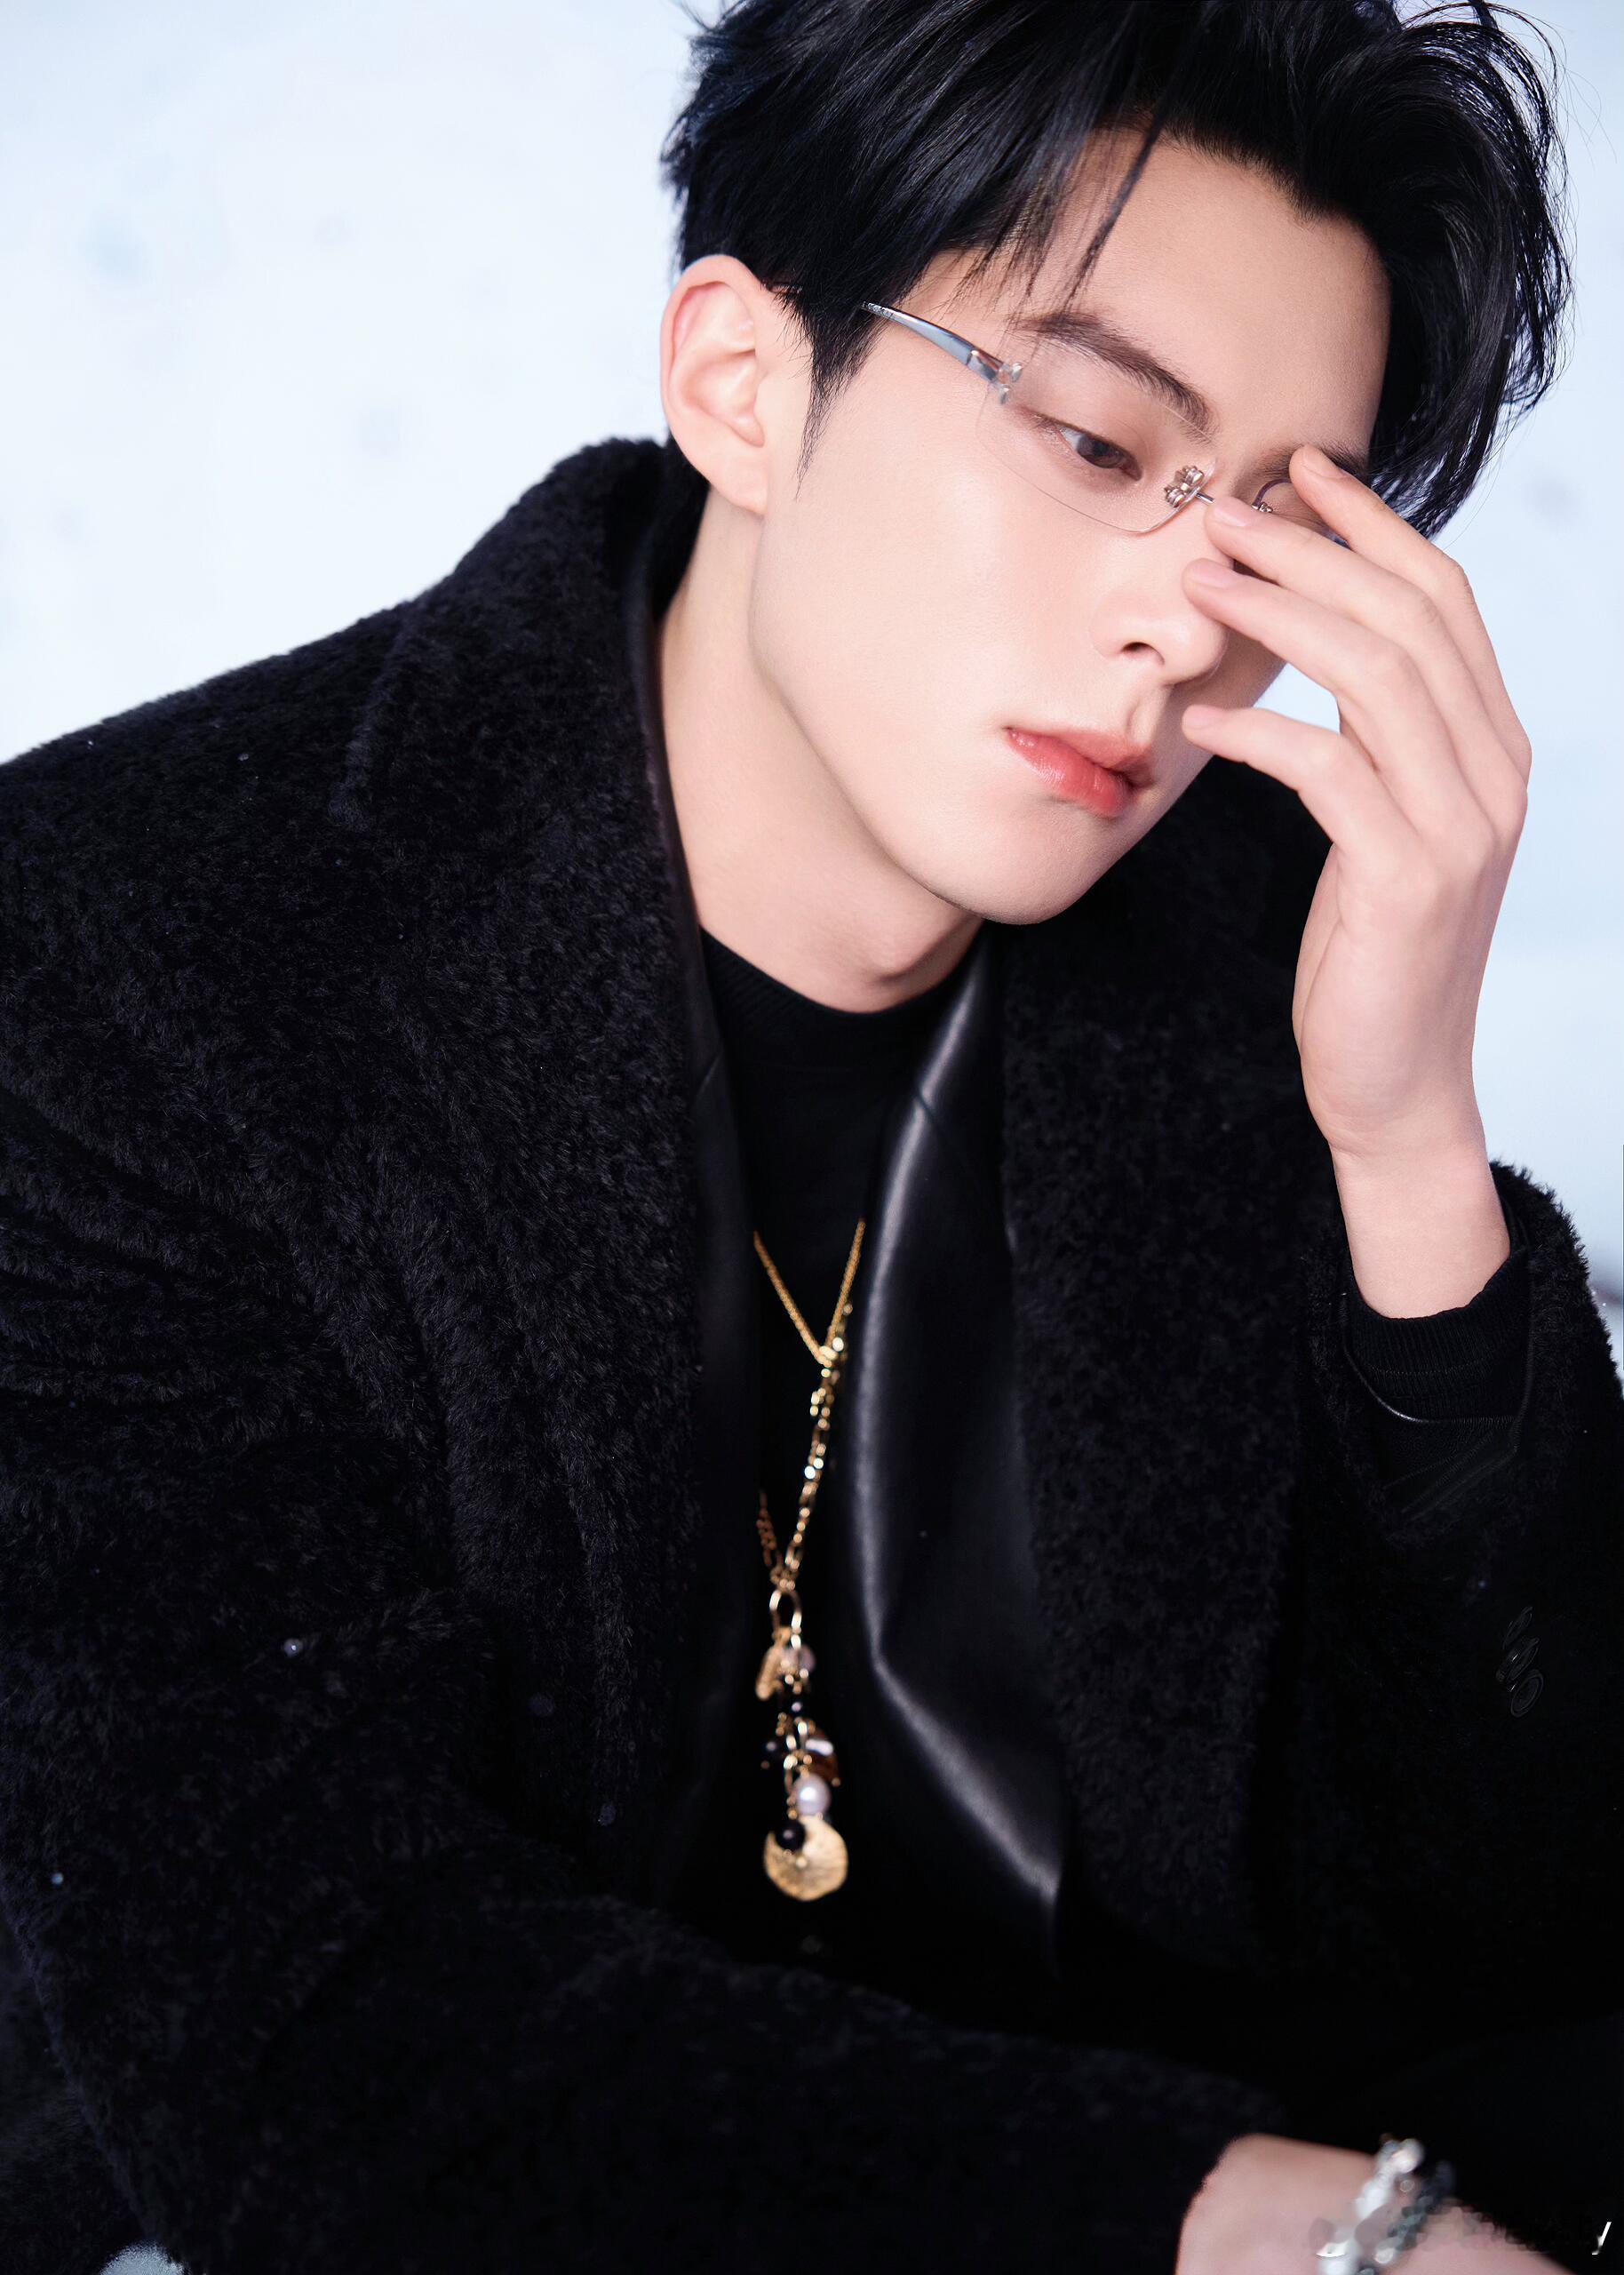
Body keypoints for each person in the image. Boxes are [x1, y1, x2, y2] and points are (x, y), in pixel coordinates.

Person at [0, 1, 1618, 2271]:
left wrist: (1405, 1143)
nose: (1185, 621)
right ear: (743, 384)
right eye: (1093, 441)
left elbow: (1489, 1910)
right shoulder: (127, 945)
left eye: (1277, 528)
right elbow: (323, 2030)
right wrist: (1245, 2222)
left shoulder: (1256, 927)